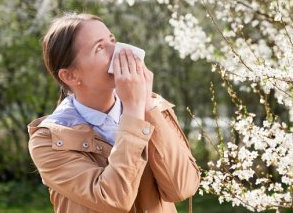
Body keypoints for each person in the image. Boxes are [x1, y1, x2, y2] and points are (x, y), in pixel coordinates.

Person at [27, 13, 200, 212]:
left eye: (112, 40)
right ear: (70, 76)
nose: (119, 51)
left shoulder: (154, 108)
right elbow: (113, 200)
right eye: (99, 47)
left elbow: (183, 188)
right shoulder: (49, 140)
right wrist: (134, 112)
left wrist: (145, 106)